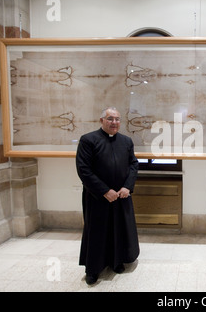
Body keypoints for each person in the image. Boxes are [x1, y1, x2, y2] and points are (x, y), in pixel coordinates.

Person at [76, 107, 140, 285]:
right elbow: (84, 170)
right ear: (101, 120)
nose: (114, 123)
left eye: (117, 119)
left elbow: (133, 165)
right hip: (97, 197)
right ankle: (93, 269)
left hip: (121, 195)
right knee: (97, 231)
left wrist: (127, 187)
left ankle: (117, 262)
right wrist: (104, 190)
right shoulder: (88, 140)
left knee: (119, 229)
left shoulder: (126, 141)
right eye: (110, 119)